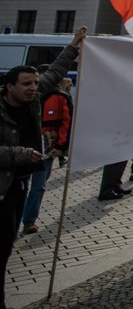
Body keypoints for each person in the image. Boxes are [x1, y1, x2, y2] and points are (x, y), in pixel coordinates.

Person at [0, 26, 80, 304]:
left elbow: (55, 73)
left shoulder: (34, 100)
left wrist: (73, 46)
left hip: (17, 186)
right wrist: (23, 154)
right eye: (27, 84)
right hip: (3, 184)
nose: (34, 88)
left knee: (6, 246)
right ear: (10, 86)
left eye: (35, 84)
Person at [20, 66, 72, 235]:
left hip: (46, 149)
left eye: (38, 82)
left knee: (38, 185)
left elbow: (66, 123)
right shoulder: (22, 97)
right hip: (22, 148)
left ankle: (29, 221)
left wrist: (61, 147)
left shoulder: (60, 97)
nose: (35, 86)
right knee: (19, 185)